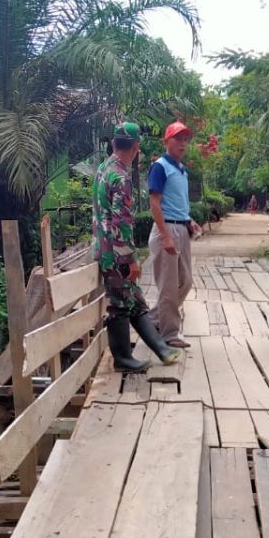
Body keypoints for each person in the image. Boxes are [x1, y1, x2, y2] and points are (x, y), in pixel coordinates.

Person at [92, 122, 180, 372]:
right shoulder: (120, 177)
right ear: (136, 147)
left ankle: (162, 350)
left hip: (105, 247)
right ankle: (123, 359)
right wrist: (130, 259)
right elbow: (122, 220)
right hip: (116, 254)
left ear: (113, 144)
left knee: (136, 300)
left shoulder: (103, 169)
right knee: (120, 305)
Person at [147, 120, 201, 348]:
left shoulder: (181, 169)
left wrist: (189, 220)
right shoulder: (160, 166)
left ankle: (152, 319)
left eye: (185, 139)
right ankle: (169, 333)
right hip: (166, 229)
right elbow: (155, 203)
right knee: (168, 285)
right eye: (177, 138)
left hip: (181, 227)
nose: (182, 143)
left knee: (186, 281)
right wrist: (165, 235)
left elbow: (177, 202)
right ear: (166, 141)